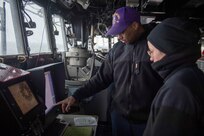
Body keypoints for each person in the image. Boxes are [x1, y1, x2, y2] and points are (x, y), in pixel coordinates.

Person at [57, 7, 163, 136]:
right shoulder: (116, 50)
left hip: (148, 120)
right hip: (119, 117)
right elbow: (100, 79)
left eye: (122, 32)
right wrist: (75, 96)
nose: (119, 37)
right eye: (116, 33)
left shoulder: (155, 46)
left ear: (135, 25)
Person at [143, 17, 204, 136]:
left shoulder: (178, 90)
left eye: (151, 51)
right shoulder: (192, 74)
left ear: (168, 48)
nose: (150, 58)